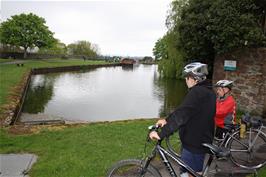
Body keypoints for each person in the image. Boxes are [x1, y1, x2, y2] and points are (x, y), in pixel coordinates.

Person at [149, 62, 216, 177]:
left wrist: (161, 134)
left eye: (187, 77)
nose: (186, 80)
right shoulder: (208, 91)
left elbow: (181, 116)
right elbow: (184, 110)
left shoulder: (197, 92)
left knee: (192, 174)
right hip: (198, 139)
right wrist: (167, 120)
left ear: (195, 79)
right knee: (187, 171)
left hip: (195, 143)